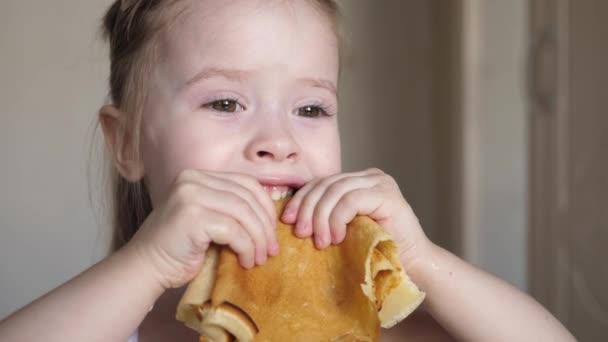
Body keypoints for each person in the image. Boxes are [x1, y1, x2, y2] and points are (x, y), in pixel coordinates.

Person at [0, 0, 575, 341]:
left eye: (311, 109)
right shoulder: (109, 320)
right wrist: (148, 264)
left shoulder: (362, 303)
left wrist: (423, 260)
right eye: (225, 103)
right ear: (126, 143)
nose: (279, 142)